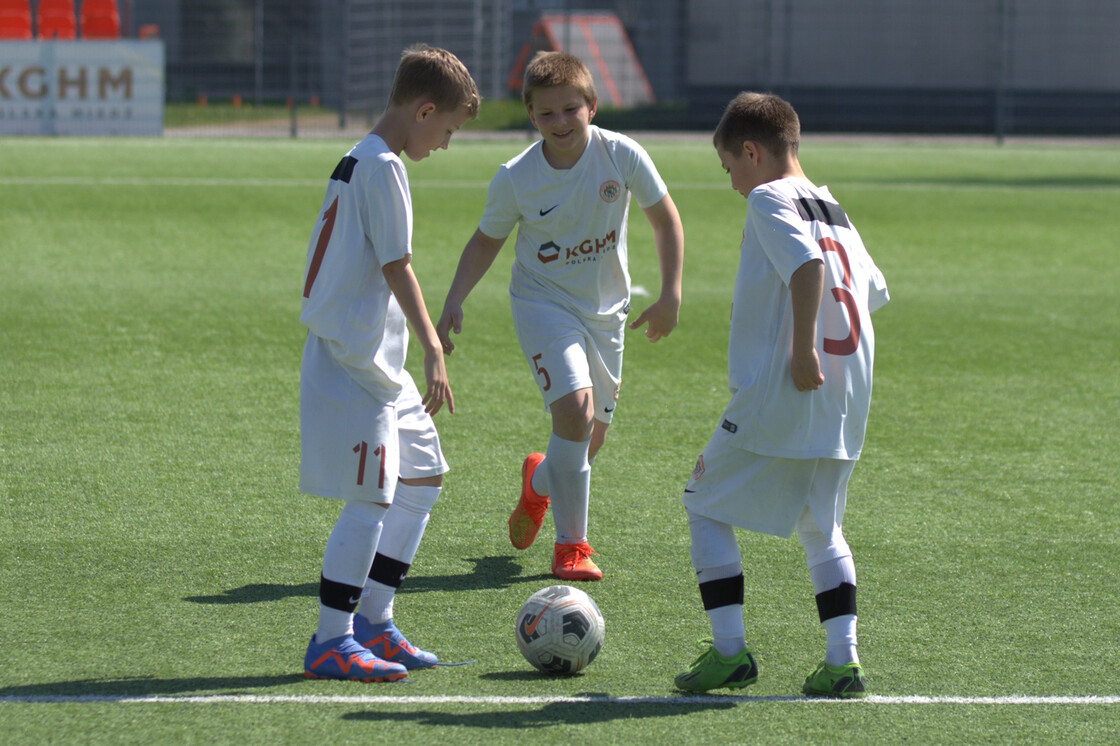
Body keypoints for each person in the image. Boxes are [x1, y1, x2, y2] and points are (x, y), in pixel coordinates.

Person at [436, 51, 684, 582]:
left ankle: (538, 482)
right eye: (546, 114)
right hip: (543, 303)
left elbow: (665, 220)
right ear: (531, 117)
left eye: (571, 109)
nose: (560, 122)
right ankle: (572, 546)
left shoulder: (622, 155)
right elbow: (485, 242)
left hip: (606, 314)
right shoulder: (517, 177)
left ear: (591, 107)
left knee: (587, 442)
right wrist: (455, 297)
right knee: (573, 412)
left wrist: (670, 294)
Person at [673, 92, 889, 698]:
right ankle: (842, 662)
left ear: (751, 151)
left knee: (704, 502)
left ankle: (729, 652)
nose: (734, 185)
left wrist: (800, 348)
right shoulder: (833, 206)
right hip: (847, 392)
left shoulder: (770, 197)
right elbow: (870, 291)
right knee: (821, 526)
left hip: (788, 384)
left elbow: (806, 269)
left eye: (730, 169)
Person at [298, 44, 479, 682]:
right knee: (372, 498)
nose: (447, 143)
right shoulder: (383, 168)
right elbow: (396, 264)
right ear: (424, 109)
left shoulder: (364, 158)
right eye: (449, 129)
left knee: (423, 475)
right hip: (354, 359)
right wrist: (433, 346)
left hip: (376, 359)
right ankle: (331, 639)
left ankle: (375, 619)